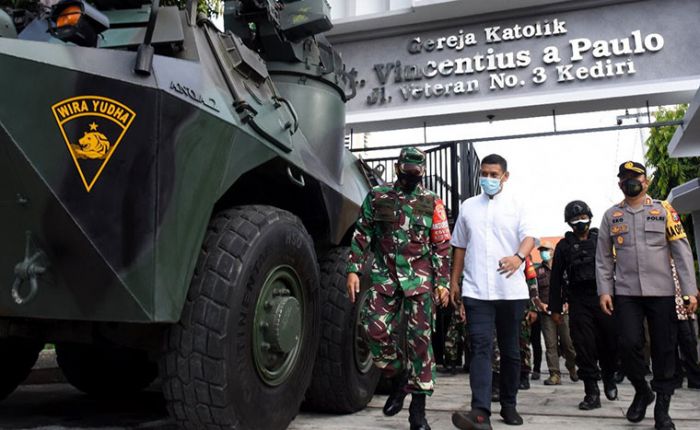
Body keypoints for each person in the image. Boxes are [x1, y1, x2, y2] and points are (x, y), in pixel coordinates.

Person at [346, 146, 451, 430]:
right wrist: (354, 269)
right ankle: (398, 375)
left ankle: (418, 411)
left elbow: (441, 246)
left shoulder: (432, 202)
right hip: (385, 276)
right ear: (397, 168)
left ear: (423, 172)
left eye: (416, 173)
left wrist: (442, 283)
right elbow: (362, 233)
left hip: (420, 280)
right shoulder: (378, 196)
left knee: (420, 343)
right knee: (372, 329)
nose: (411, 177)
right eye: (407, 172)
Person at [596, 161, 698, 430]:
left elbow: (681, 250)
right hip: (626, 292)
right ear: (619, 183)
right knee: (628, 344)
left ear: (646, 181)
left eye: (636, 177)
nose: (631, 181)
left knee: (665, 349)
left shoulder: (664, 209)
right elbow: (604, 258)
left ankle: (662, 410)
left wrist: (689, 290)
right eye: (626, 178)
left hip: (662, 291)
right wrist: (605, 291)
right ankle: (643, 390)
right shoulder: (611, 216)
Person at [449, 154, 536, 430]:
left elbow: (529, 237)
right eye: (484, 174)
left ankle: (509, 405)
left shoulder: (517, 204)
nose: (487, 178)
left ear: (505, 177)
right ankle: (480, 411)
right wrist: (454, 281)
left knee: (511, 351)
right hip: (476, 290)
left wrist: (518, 258)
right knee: (480, 348)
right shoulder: (468, 207)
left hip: (510, 291)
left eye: (493, 174)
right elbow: (459, 245)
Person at [549, 200, 617, 410]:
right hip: (578, 301)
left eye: (583, 218)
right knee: (584, 345)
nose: (580, 222)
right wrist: (556, 309)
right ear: (569, 222)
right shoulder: (563, 246)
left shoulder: (602, 240)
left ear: (590, 217)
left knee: (609, 343)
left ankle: (609, 377)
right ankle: (591, 392)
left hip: (603, 297)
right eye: (575, 219)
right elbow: (556, 279)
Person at [535, 241, 577, 386]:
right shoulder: (538, 271)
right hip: (546, 313)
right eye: (541, 250)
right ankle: (554, 374)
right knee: (550, 344)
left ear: (553, 251)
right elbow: (533, 292)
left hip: (563, 312)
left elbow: (572, 287)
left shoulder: (563, 269)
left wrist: (568, 304)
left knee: (568, 343)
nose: (543, 252)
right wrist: (540, 304)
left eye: (546, 250)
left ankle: (571, 366)